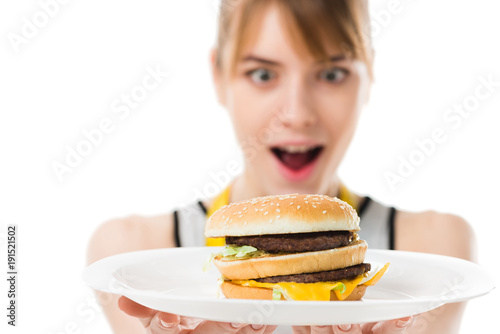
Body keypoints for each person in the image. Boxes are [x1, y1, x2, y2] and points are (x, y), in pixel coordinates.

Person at [87, 0, 476, 333]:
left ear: (368, 74)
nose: (296, 114)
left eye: (331, 73)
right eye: (263, 74)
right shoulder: (131, 254)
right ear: (218, 75)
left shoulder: (438, 253)